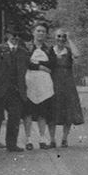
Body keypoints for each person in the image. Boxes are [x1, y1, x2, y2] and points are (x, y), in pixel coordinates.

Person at [0, 25, 29, 152]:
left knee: (15, 118)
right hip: (0, 89)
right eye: (13, 35)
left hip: (16, 90)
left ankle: (11, 144)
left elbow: (26, 69)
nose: (15, 38)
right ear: (7, 35)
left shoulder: (23, 52)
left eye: (18, 35)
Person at [23, 22, 55, 150]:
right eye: (38, 31)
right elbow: (25, 62)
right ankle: (28, 139)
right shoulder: (26, 47)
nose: (41, 33)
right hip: (29, 80)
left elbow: (52, 63)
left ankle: (42, 139)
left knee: (43, 112)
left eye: (43, 31)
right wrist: (40, 66)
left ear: (46, 34)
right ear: (33, 32)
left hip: (44, 82)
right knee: (28, 112)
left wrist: (36, 62)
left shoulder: (49, 49)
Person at [51, 29, 84, 147]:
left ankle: (64, 138)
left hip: (68, 83)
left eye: (63, 37)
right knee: (52, 110)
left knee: (68, 111)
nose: (61, 39)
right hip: (53, 83)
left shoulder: (69, 51)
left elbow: (77, 55)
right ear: (54, 37)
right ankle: (52, 139)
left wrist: (70, 39)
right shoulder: (51, 51)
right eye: (58, 36)